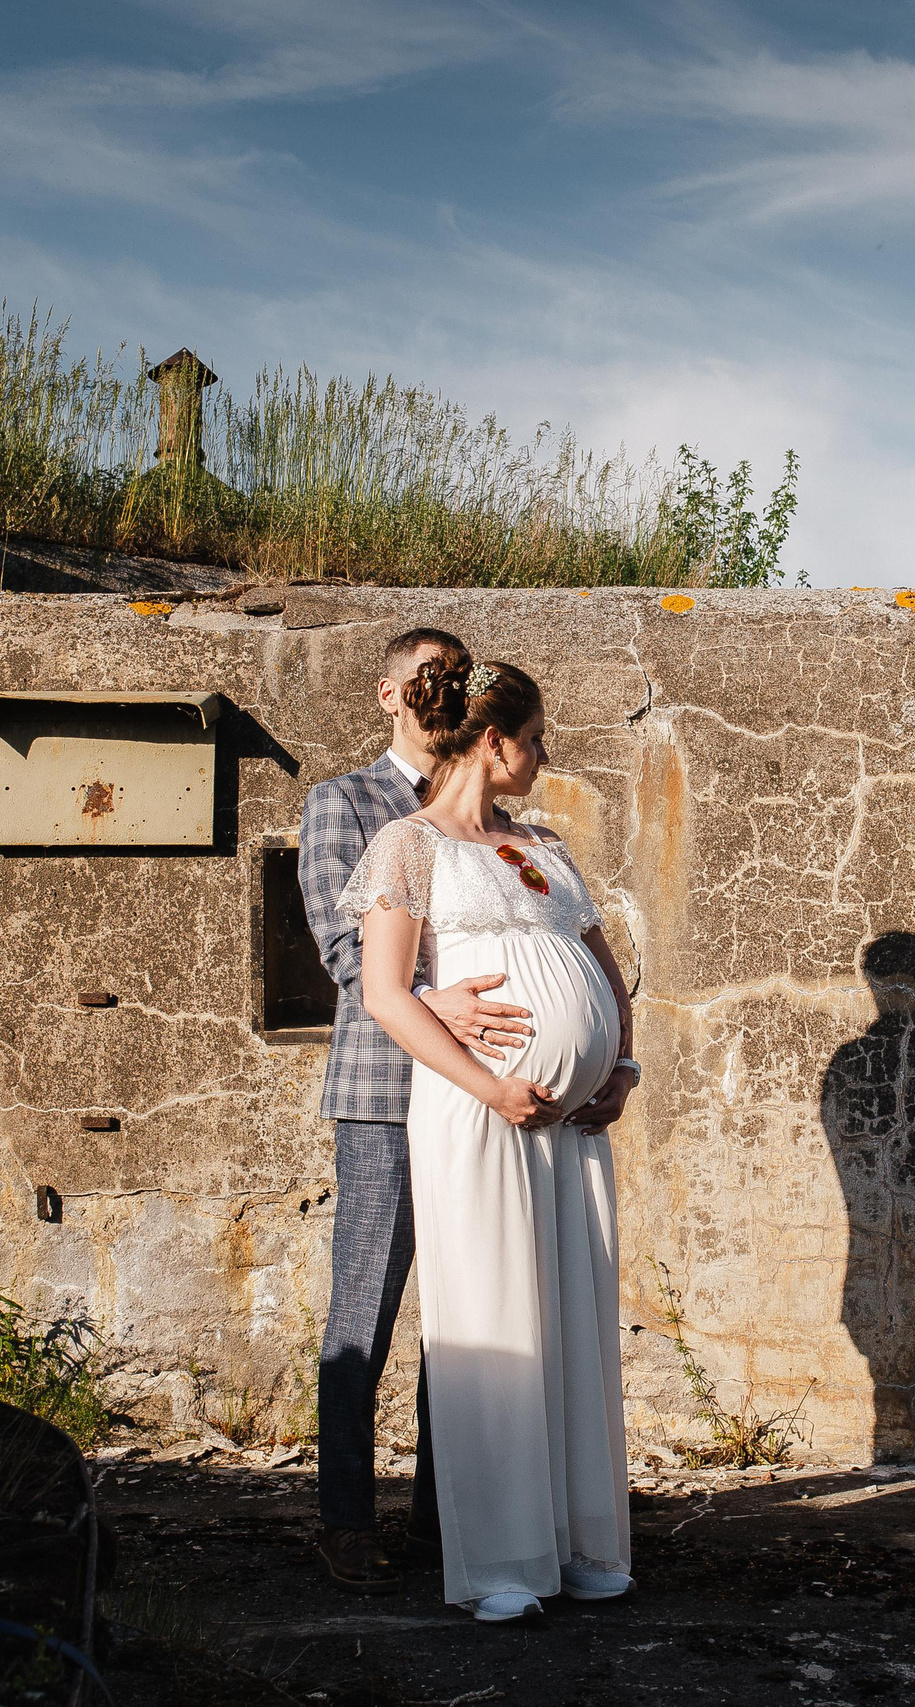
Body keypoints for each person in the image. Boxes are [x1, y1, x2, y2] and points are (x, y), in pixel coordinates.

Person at [337, 654, 641, 1623]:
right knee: (495, 1318)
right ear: (495, 741)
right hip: (479, 1109)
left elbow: (602, 967)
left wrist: (618, 1069)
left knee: (573, 1320)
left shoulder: (545, 846)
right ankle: (505, 1563)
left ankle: (580, 1541)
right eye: (538, 741)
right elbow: (387, 994)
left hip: (571, 1125)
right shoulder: (408, 846)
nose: (545, 758)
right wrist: (490, 1085)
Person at [298, 627, 544, 1596]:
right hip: (383, 1093)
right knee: (365, 1308)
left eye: (451, 674)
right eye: (424, 675)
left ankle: (449, 1519)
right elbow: (337, 939)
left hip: (477, 1096)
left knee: (467, 1309)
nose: (436, 688)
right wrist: (420, 997)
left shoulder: (486, 816)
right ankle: (346, 1520)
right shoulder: (342, 803)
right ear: (388, 693)